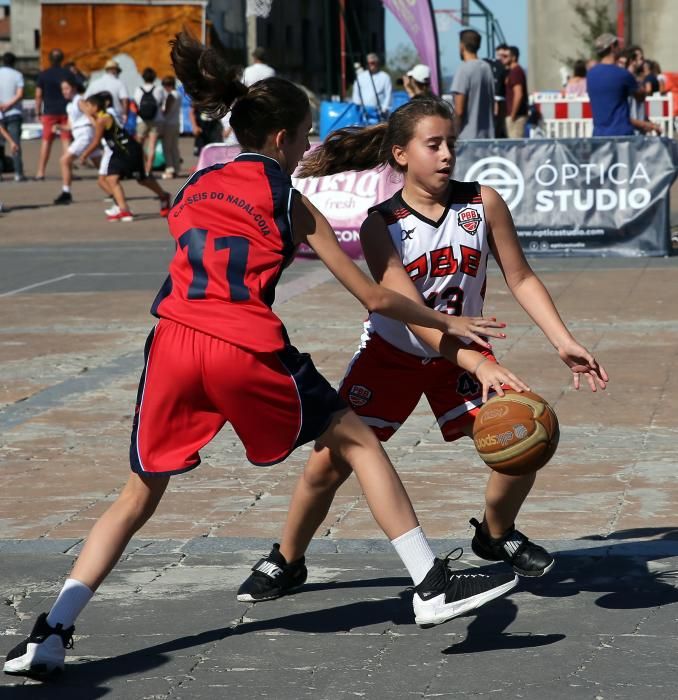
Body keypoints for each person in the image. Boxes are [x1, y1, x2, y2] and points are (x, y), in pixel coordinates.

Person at [3, 34, 520, 680]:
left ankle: (50, 631)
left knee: (138, 493)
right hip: (240, 340)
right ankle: (431, 584)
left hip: (168, 341)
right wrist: (446, 321)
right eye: (303, 136)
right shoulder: (291, 201)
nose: (306, 147)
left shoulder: (198, 181)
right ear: (281, 140)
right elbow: (374, 296)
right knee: (357, 441)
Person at [236, 97, 608, 606]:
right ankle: (288, 558)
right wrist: (480, 362)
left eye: (450, 144)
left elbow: (520, 277)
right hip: (393, 357)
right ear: (401, 154)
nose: (446, 154)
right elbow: (414, 314)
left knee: (527, 431)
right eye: (433, 145)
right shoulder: (379, 225)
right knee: (327, 464)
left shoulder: (483, 202)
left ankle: (495, 535)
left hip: (461, 355)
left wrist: (563, 340)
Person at [78, 92, 170, 222]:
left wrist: (84, 155)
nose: (86, 108)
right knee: (113, 179)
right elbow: (96, 123)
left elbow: (96, 141)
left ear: (95, 106)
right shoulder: (102, 117)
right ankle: (125, 209)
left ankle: (161, 196)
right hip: (121, 151)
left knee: (139, 179)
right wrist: (88, 113)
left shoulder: (103, 119)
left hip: (127, 150)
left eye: (87, 105)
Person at [53, 78, 102, 205]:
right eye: (63, 89)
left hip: (85, 135)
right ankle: (113, 190)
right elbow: (70, 126)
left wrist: (100, 133)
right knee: (101, 166)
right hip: (81, 133)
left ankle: (66, 192)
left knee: (64, 160)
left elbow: (92, 116)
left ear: (74, 88)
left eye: (67, 88)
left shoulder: (79, 100)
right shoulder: (70, 105)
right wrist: (59, 126)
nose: (64, 91)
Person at [587, 34, 646, 137]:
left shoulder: (591, 74)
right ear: (612, 47)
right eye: (617, 45)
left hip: (599, 136)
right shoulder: (622, 74)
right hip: (622, 135)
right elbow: (640, 97)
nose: (620, 48)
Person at [34, 48, 72, 180]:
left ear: (49, 59)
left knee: (46, 141)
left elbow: (38, 95)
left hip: (49, 112)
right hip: (66, 111)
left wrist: (37, 111)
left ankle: (40, 171)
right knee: (66, 140)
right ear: (62, 59)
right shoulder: (67, 73)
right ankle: (67, 171)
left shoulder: (43, 75)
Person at [450, 29, 495, 139]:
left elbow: (459, 110)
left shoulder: (463, 69)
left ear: (462, 46)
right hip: (487, 137)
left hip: (467, 138)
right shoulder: (487, 68)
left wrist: (453, 134)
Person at [134, 67, 165, 176]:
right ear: (154, 78)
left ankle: (141, 167)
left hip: (141, 120)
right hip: (156, 120)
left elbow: (136, 104)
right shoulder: (159, 89)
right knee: (152, 146)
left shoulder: (138, 89)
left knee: (139, 146)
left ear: (143, 77)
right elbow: (161, 104)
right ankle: (148, 170)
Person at [0, 52, 26, 181]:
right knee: (15, 143)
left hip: (0, 113)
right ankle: (18, 173)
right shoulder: (17, 75)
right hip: (14, 112)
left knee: (0, 144)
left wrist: (1, 105)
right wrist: (8, 104)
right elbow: (20, 94)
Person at [85, 58, 129, 125]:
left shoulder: (94, 83)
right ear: (115, 71)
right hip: (115, 118)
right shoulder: (119, 83)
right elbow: (125, 100)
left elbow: (85, 99)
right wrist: (125, 115)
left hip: (97, 118)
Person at [352, 53, 392, 118]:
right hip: (364, 113)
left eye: (372, 63)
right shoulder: (360, 77)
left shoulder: (385, 77)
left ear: (377, 63)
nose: (370, 65)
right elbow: (356, 94)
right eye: (368, 63)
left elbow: (388, 95)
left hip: (379, 113)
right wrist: (359, 107)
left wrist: (384, 109)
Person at [159, 76, 181, 178]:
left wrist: (159, 111)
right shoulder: (178, 94)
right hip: (176, 123)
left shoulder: (171, 95)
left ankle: (170, 168)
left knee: (166, 148)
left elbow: (166, 110)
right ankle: (176, 168)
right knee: (174, 147)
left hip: (168, 124)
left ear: (168, 86)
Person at [485, 43, 509, 138]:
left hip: (502, 103)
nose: (501, 59)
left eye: (504, 56)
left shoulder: (510, 70)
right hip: (496, 101)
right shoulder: (492, 65)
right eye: (499, 56)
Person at [504, 45, 528, 138]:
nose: (503, 59)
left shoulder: (516, 72)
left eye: (506, 56)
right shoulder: (513, 72)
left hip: (517, 117)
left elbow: (518, 94)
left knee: (515, 147)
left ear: (513, 57)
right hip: (515, 115)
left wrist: (513, 115)